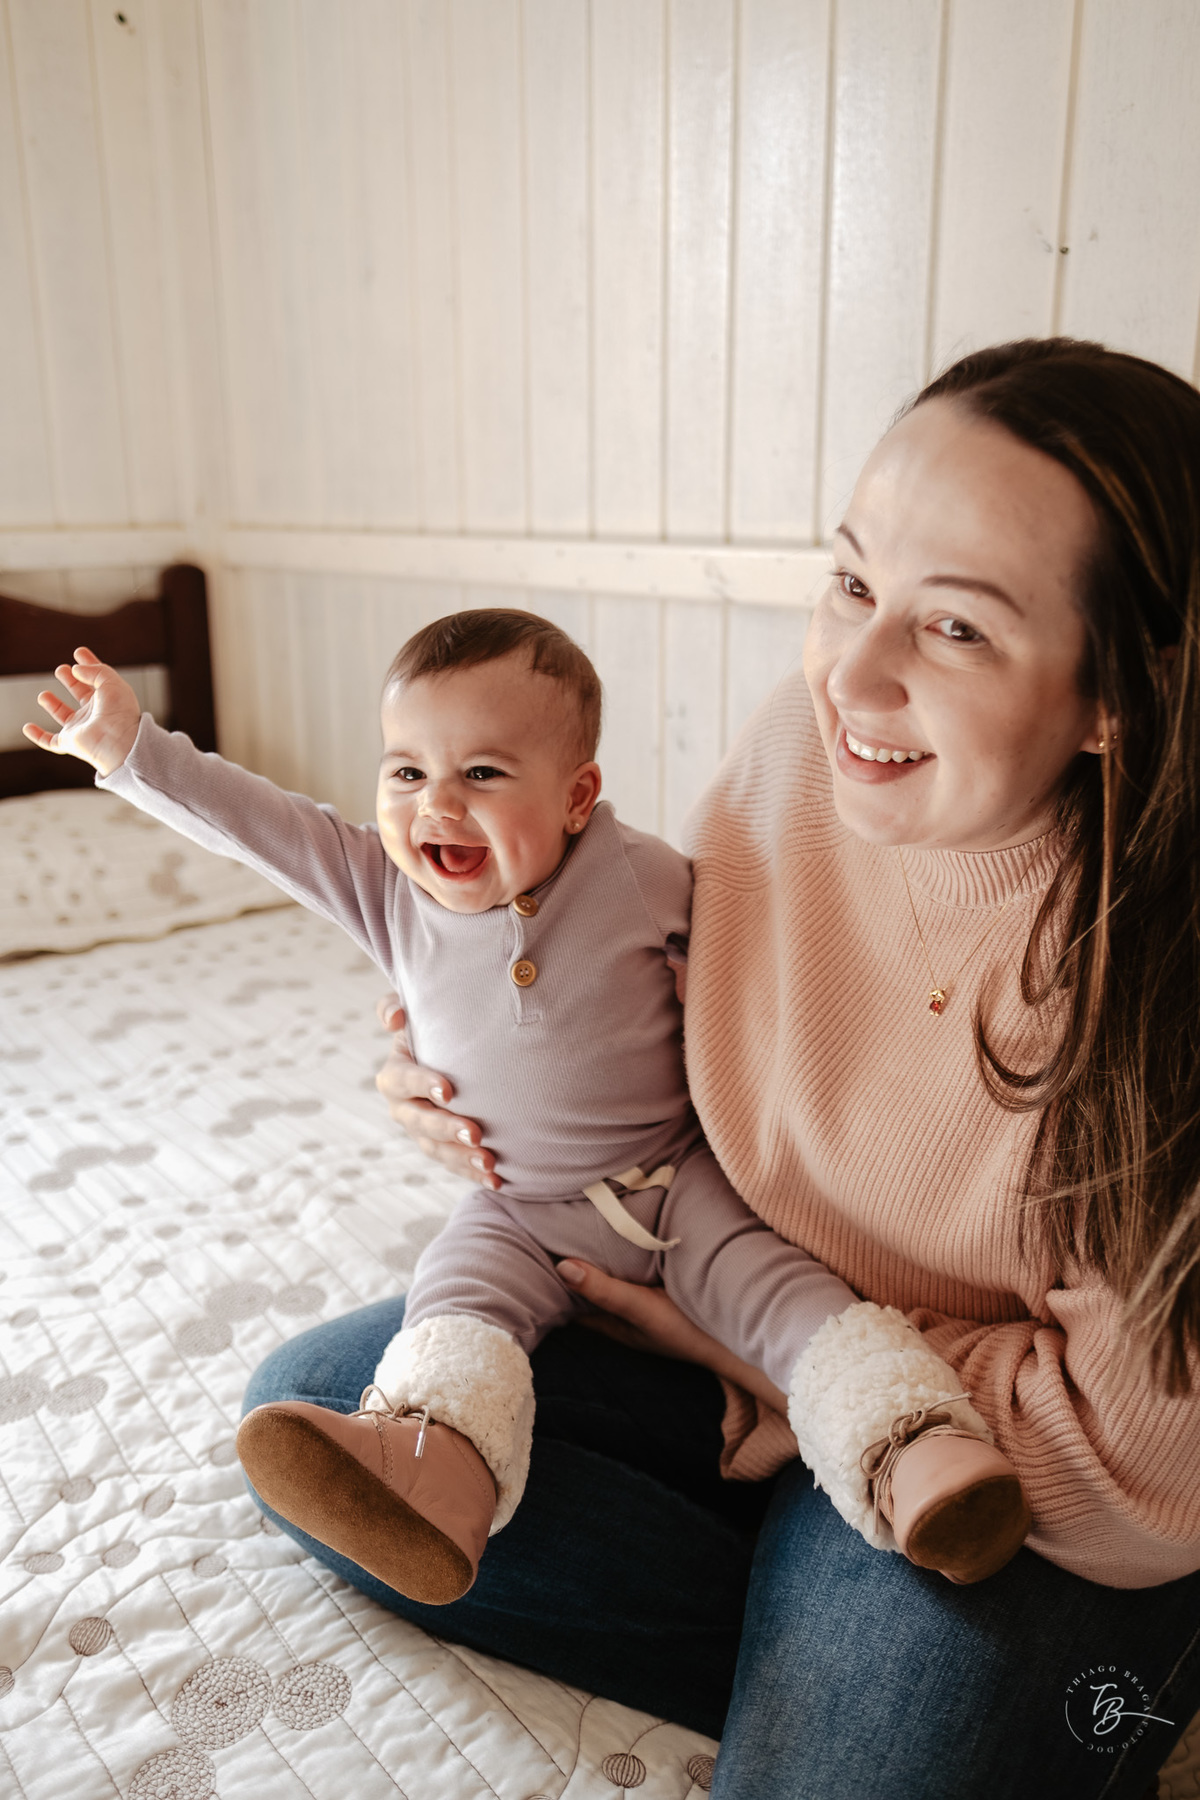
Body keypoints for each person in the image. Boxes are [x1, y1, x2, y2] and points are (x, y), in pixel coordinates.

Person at [49, 336, 1200, 1797]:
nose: (852, 673)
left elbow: (1148, 1473)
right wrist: (462, 1053)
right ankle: (854, 1635)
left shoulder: (1154, 987)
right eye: (852, 583)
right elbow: (660, 969)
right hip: (717, 1278)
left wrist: (758, 1358)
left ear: (1116, 697)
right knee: (336, 1399)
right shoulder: (809, 746)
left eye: (957, 630)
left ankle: (1006, 1661)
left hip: (1024, 1467)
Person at [25, 609, 1029, 1600]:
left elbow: (771, 983)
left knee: (794, 1304)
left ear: (578, 795)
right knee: (452, 1307)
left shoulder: (647, 882)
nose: (436, 808)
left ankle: (917, 1453)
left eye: (483, 774)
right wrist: (130, 749)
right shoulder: (386, 893)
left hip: (679, 1188)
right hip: (516, 1209)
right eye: (406, 772)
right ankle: (433, 1467)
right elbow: (264, 830)